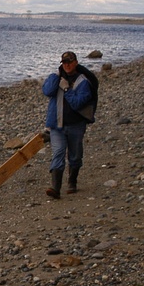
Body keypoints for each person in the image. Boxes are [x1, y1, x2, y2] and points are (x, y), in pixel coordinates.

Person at [43, 51, 95, 198]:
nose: (67, 65)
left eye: (69, 62)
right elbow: (47, 91)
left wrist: (67, 89)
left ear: (75, 63)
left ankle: (72, 181)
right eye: (64, 63)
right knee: (58, 152)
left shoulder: (83, 81)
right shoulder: (56, 77)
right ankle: (55, 188)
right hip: (56, 125)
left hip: (76, 125)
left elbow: (78, 103)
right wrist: (56, 76)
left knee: (75, 156)